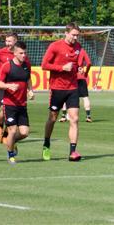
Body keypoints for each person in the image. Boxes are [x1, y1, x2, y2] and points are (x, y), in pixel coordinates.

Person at [41, 24, 84, 162]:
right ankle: (46, 143)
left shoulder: (78, 47)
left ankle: (73, 152)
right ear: (66, 33)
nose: (75, 37)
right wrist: (61, 68)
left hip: (72, 88)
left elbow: (76, 64)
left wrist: (80, 69)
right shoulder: (55, 46)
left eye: (77, 35)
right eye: (73, 34)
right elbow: (44, 65)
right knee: (52, 118)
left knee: (75, 119)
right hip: (57, 88)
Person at [0, 41, 35, 164]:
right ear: (15, 53)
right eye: (21, 53)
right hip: (9, 104)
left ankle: (9, 142)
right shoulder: (7, 66)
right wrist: (8, 86)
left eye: (25, 53)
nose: (24, 55)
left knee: (24, 133)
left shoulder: (26, 65)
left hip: (22, 104)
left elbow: (28, 78)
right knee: (12, 130)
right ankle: (10, 154)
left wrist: (30, 91)